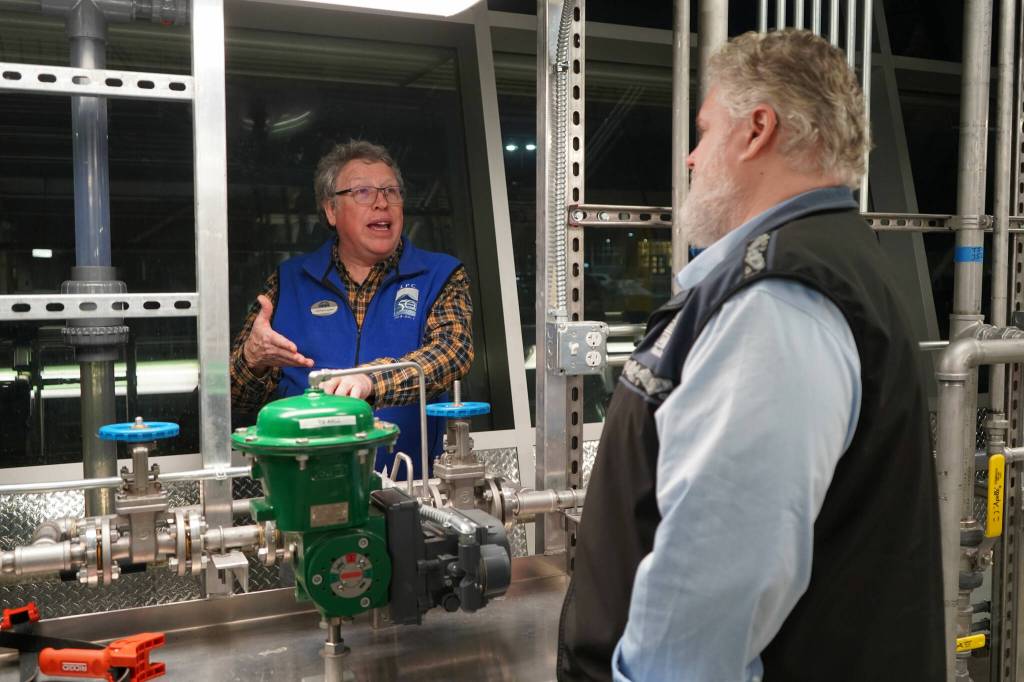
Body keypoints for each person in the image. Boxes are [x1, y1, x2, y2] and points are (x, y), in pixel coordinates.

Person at [558, 29, 944, 682]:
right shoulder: (825, 265)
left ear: (756, 129)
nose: (690, 157)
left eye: (705, 131)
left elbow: (708, 603)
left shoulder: (778, 298)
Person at [230, 140, 474, 477]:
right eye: (363, 192)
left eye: (391, 191)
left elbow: (453, 351)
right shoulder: (288, 283)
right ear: (331, 210)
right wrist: (252, 360)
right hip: (302, 486)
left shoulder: (440, 275)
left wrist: (372, 380)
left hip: (412, 491)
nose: (381, 203)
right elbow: (230, 400)